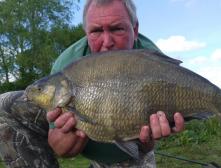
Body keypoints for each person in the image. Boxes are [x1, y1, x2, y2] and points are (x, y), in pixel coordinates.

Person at [0, 0, 185, 168]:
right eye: (96, 31)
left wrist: (149, 139)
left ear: (134, 29)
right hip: (84, 129)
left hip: (130, 145)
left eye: (117, 29)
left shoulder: (154, 61)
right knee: (3, 105)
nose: (107, 42)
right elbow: (62, 150)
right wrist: (71, 133)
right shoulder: (67, 64)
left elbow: (146, 143)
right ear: (86, 32)